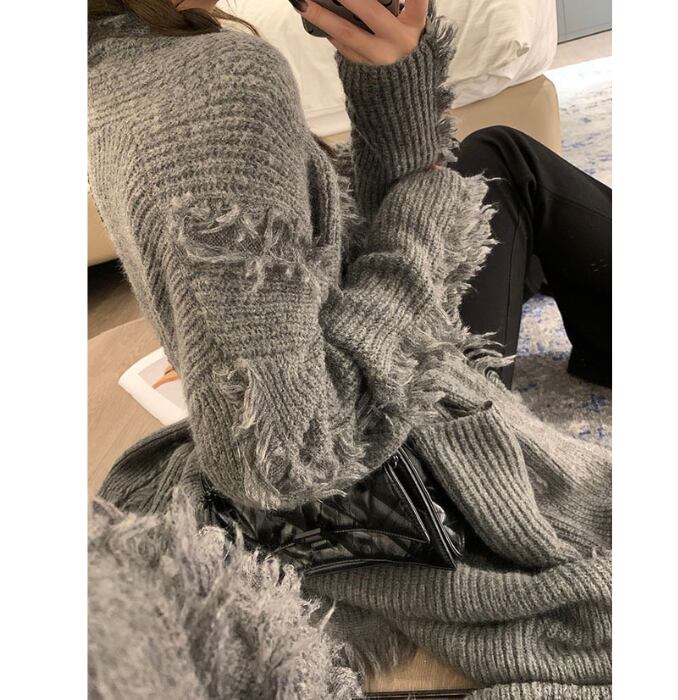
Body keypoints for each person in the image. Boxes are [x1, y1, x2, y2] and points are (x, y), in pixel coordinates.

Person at [88, 2, 612, 698]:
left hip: (350, 432)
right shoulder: (213, 84)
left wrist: (388, 76)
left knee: (497, 157)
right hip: (397, 470)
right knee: (509, 164)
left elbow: (318, 257)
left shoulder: (109, 52)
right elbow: (287, 454)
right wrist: (425, 210)